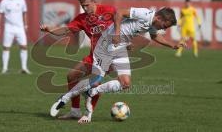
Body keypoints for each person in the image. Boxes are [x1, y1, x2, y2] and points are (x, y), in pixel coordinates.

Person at [49, 7, 186, 124]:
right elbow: (120, 12)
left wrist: (172, 45)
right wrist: (117, 33)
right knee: (95, 80)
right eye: (165, 26)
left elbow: (155, 36)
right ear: (159, 18)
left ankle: (92, 92)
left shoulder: (153, 23)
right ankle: (65, 98)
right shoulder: (144, 14)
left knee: (125, 83)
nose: (164, 29)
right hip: (106, 44)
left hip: (120, 47)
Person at [40, 0, 116, 120]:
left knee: (94, 85)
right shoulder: (82, 19)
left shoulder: (109, 10)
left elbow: (124, 21)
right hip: (94, 56)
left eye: (87, 5)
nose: (85, 9)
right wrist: (49, 29)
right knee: (72, 75)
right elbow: (65, 30)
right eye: (82, 6)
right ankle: (75, 111)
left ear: (94, 1)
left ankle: (88, 114)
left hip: (111, 56)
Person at [0, 0, 31, 74]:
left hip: (20, 28)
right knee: (6, 47)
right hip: (9, 28)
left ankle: (24, 68)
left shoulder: (22, 1)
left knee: (24, 46)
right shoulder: (4, 1)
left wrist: (26, 25)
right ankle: (4, 68)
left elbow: (25, 13)